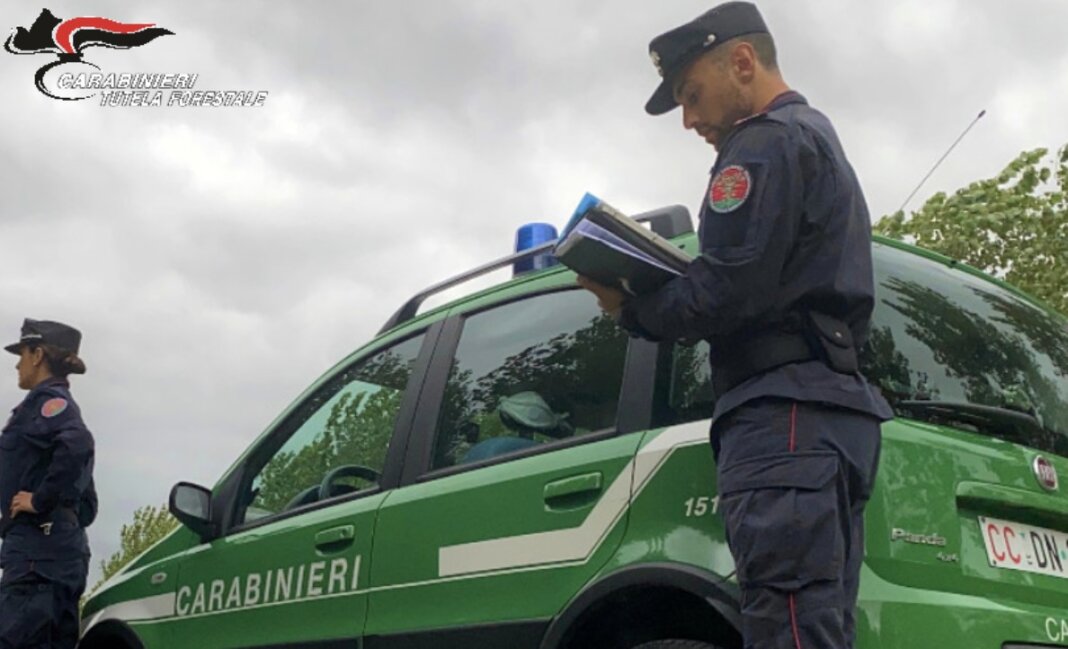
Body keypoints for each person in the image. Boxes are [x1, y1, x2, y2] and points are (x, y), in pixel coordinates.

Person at [578, 3, 894, 647]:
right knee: (817, 625)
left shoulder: (760, 143)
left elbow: (726, 288)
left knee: (788, 627)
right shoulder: (819, 136)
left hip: (784, 414)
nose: (690, 120)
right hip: (835, 413)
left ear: (743, 62)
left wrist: (630, 307)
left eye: (692, 95)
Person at [0, 319, 96, 649]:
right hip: (51, 553)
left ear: (38, 354)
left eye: (22, 353)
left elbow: (78, 444)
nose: (17, 363)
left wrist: (40, 501)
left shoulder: (49, 403)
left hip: (38, 558)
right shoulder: (49, 407)